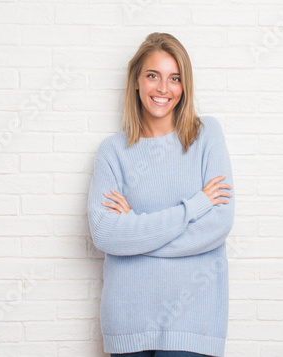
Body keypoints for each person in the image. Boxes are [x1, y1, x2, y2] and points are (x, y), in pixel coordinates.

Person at [87, 32, 235, 357]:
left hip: (195, 322)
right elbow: (104, 233)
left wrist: (136, 236)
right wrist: (194, 206)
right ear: (136, 81)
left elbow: (218, 224)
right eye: (153, 75)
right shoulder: (113, 152)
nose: (163, 89)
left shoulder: (206, 136)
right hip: (128, 321)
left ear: (184, 86)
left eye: (175, 78)